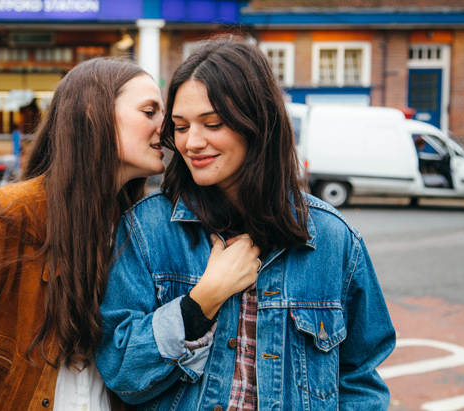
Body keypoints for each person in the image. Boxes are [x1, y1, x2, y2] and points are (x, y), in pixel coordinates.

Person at [95, 38, 396, 410]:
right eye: (181, 126)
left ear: (257, 122)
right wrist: (198, 305)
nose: (192, 142)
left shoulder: (332, 238)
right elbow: (120, 370)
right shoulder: (148, 230)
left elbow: (360, 381)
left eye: (213, 123)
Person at [0, 57, 166, 411]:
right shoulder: (4, 218)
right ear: (96, 114)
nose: (165, 127)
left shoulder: (142, 229)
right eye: (149, 111)